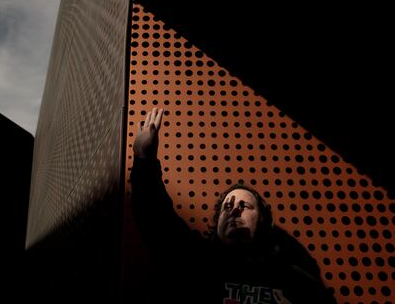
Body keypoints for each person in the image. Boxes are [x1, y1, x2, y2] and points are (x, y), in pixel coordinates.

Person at [130, 107, 337, 304]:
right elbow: (155, 217)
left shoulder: (293, 278)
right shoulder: (195, 262)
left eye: (245, 205)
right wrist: (143, 159)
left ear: (264, 220)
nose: (234, 209)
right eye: (226, 206)